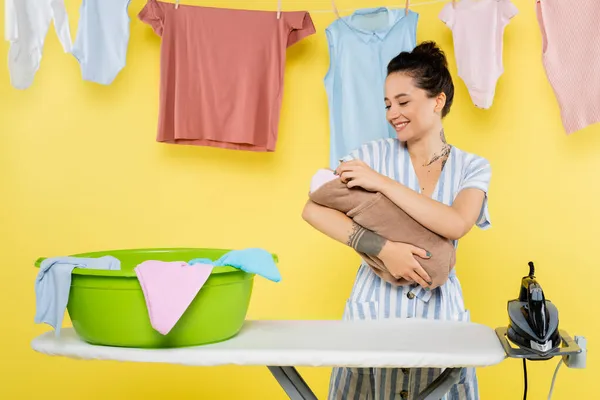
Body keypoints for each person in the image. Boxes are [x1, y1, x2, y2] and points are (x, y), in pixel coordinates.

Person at [301, 41, 491, 400]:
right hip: (374, 307)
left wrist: (381, 183)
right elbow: (313, 208)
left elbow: (455, 224)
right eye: (388, 104)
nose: (392, 113)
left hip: (440, 314)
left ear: (438, 101)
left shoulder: (472, 167)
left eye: (403, 102)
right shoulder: (369, 154)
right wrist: (381, 249)